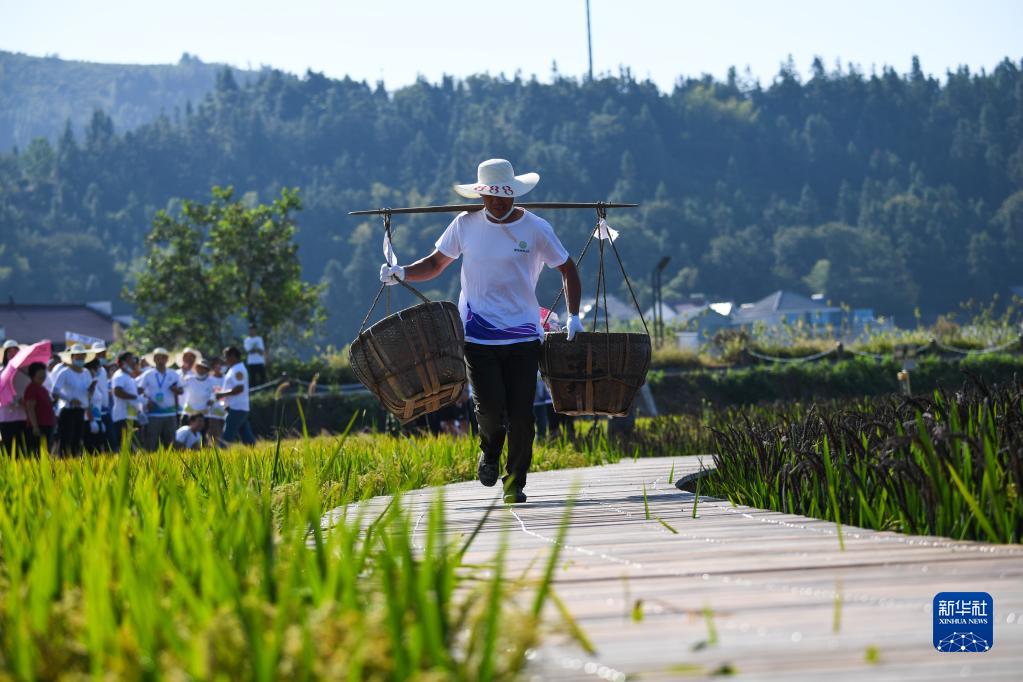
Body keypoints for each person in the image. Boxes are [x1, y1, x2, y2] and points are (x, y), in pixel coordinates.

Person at [379, 159, 582, 503]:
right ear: (481, 195)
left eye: (504, 197)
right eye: (491, 197)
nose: (498, 203)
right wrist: (402, 272)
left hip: (523, 337)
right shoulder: (464, 225)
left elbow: (568, 268)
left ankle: (515, 483)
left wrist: (574, 315)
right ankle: (489, 452)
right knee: (489, 410)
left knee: (521, 416)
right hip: (477, 336)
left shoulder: (535, 229)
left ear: (515, 194)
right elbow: (435, 263)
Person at [50, 343, 96, 457]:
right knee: (66, 442)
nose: (80, 358)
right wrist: (70, 399)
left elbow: (88, 394)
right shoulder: (65, 372)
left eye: (82, 356)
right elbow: (55, 391)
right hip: (67, 411)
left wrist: (91, 390)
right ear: (72, 357)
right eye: (78, 356)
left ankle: (74, 467)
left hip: (81, 411)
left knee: (77, 442)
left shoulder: (86, 373)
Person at [138, 347, 183, 451]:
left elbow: (181, 391)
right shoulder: (148, 374)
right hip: (154, 414)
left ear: (167, 359)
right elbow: (139, 391)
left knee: (171, 444)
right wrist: (146, 401)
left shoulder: (173, 374)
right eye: (158, 358)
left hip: (170, 414)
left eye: (163, 358)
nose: (160, 360)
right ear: (154, 360)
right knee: (151, 443)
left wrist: (175, 389)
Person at [216, 346, 255, 445]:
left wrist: (222, 394)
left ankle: (221, 455)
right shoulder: (234, 369)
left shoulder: (238, 370)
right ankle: (255, 454)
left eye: (226, 357)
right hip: (237, 407)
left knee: (227, 436)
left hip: (237, 407)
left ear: (233, 356)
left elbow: (239, 388)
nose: (225, 360)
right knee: (246, 436)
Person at [0, 339, 28, 454]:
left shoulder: (25, 372)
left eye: (15, 350)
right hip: (6, 417)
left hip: (23, 416)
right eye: (9, 351)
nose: (12, 353)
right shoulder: (1, 371)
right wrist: (16, 401)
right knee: (9, 450)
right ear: (5, 354)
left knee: (23, 450)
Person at [22, 362, 55, 455]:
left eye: (44, 372)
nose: (43, 375)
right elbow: (30, 408)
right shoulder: (31, 388)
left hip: (48, 424)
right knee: (38, 454)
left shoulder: (42, 388)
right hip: (39, 426)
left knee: (46, 452)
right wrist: (35, 426)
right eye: (40, 372)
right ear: (33, 374)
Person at [110, 351, 140, 451]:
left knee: (133, 447)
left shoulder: (129, 377)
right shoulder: (119, 376)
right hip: (123, 416)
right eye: (131, 359)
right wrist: (135, 397)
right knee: (126, 447)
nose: (133, 361)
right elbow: (117, 392)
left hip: (131, 415)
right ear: (124, 362)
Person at [180, 356, 215, 425]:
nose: (201, 369)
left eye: (203, 368)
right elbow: (180, 386)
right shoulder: (189, 379)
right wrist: (183, 373)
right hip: (188, 412)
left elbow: (213, 395)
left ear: (207, 370)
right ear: (195, 368)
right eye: (199, 367)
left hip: (204, 414)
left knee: (203, 435)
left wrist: (212, 400)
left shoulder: (211, 381)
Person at [205, 357, 227, 445]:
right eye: (217, 365)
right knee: (215, 434)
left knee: (222, 433)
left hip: (225, 410)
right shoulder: (209, 379)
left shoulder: (226, 378)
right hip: (212, 411)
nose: (219, 367)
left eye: (221, 365)